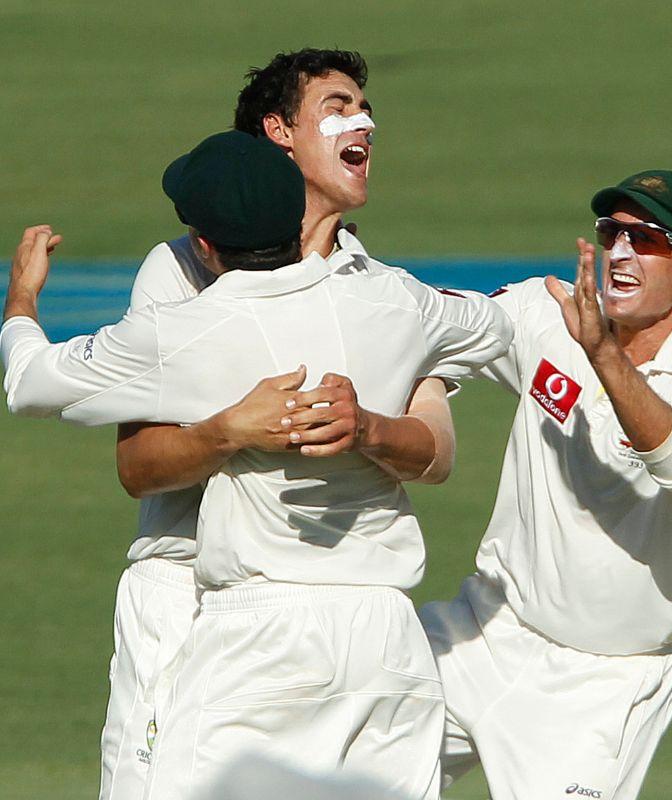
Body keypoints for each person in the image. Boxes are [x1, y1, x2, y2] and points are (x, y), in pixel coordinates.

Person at [2, 131, 513, 800]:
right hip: (387, 640)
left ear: (205, 248)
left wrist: (22, 299)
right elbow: (490, 330)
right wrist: (406, 384)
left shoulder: (189, 330)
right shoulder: (397, 301)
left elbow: (30, 382)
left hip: (258, 638)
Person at [98, 49, 455, 800]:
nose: (365, 123)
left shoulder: (383, 292)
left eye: (366, 108)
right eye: (338, 106)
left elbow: (437, 450)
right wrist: (229, 430)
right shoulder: (185, 267)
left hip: (344, 608)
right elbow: (138, 467)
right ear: (278, 132)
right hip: (191, 594)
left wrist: (369, 431)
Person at [419, 170, 672, 799]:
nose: (622, 253)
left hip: (601, 686)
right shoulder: (546, 313)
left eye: (648, 239)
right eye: (613, 233)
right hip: (484, 631)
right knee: (325, 757)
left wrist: (603, 354)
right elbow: (437, 324)